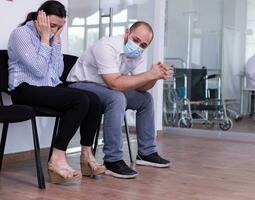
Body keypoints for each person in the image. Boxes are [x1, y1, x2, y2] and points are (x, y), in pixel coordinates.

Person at [8, 0, 105, 184]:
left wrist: (56, 41)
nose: (54, 30)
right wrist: (46, 39)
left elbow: (57, 72)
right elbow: (38, 69)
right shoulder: (20, 34)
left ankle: (86, 155)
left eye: (59, 27)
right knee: (80, 99)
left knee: (93, 99)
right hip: (25, 89)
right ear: (40, 18)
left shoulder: (53, 37)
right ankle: (57, 159)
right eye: (52, 25)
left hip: (47, 87)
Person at [67, 21, 173, 179]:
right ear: (127, 32)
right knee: (116, 98)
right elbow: (115, 83)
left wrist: (156, 76)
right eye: (136, 40)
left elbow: (141, 87)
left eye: (143, 45)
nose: (138, 46)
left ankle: (146, 152)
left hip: (106, 89)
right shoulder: (106, 46)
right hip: (81, 85)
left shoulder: (138, 54)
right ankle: (112, 160)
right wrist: (149, 75)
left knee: (145, 99)